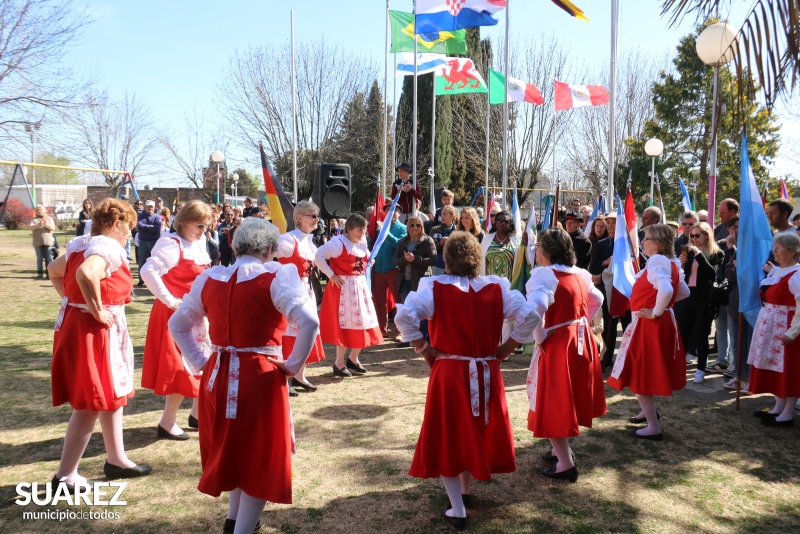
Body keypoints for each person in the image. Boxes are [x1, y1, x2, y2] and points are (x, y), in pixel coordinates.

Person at [168, 217, 319, 534]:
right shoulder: (275, 276)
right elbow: (309, 322)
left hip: (218, 375)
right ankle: (242, 528)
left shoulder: (211, 278)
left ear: (236, 246)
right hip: (257, 376)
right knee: (257, 456)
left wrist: (200, 361)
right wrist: (292, 365)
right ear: (269, 249)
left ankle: (235, 518)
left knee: (236, 448)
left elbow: (178, 324)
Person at [395, 232, 540, 530]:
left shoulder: (434, 287)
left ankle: (458, 507)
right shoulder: (496, 288)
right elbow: (531, 315)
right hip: (486, 371)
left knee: (450, 434)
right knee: (471, 430)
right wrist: (503, 350)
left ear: (447, 258)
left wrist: (424, 348)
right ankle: (463, 492)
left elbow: (404, 317)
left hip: (450, 373)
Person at [48, 198, 152, 488]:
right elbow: (86, 273)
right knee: (91, 401)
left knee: (109, 393)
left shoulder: (82, 244)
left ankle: (116, 459)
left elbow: (54, 271)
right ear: (116, 224)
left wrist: (74, 303)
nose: (129, 234)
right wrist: (95, 309)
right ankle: (66, 475)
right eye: (127, 227)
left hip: (83, 326)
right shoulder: (106, 246)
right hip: (94, 331)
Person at [525, 228, 606, 482]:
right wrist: (582, 321)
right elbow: (598, 299)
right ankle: (559, 449)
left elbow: (535, 310)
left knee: (553, 402)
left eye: (537, 246)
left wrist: (540, 338)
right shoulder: (580, 274)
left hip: (560, 343)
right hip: (579, 340)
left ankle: (566, 463)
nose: (535, 251)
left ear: (546, 251)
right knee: (566, 398)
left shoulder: (543, 275)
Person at [607, 224, 690, 440]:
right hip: (657, 323)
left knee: (641, 372)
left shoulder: (658, 261)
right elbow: (683, 291)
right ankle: (648, 412)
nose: (643, 242)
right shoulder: (670, 262)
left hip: (649, 325)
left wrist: (654, 312)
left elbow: (669, 290)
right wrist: (663, 308)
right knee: (646, 370)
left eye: (647, 238)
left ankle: (653, 426)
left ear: (659, 243)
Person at [140, 200, 212, 439]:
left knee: (202, 362)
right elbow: (147, 271)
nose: (203, 230)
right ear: (183, 222)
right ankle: (167, 422)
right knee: (181, 369)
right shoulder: (172, 244)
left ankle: (197, 415)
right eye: (199, 225)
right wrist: (170, 300)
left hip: (197, 314)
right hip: (176, 315)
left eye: (206, 225)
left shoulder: (199, 243)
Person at [315, 213, 383, 377]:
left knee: (364, 323)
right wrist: (331, 275)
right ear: (349, 229)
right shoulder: (338, 243)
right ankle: (339, 362)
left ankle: (353, 358)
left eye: (364, 229)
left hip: (360, 287)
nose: (362, 233)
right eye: (359, 230)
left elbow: (364, 259)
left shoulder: (361, 243)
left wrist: (370, 262)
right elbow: (318, 256)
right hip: (344, 289)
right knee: (344, 326)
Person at [747, 232, 800, 428]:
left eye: (779, 248)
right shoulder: (779, 272)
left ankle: (787, 413)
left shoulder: (797, 274)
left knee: (789, 368)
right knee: (777, 367)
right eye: (774, 248)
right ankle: (778, 406)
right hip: (772, 325)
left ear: (793, 251)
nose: (774, 252)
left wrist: (792, 331)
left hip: (786, 326)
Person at [274, 200, 327, 393]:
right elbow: (267, 253)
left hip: (307, 290)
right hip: (291, 291)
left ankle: (299, 375)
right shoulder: (288, 240)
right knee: (290, 332)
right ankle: (285, 379)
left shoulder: (308, 241)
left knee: (304, 331)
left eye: (317, 216)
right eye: (312, 216)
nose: (316, 220)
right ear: (299, 218)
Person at [675, 221, 723, 384]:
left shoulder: (717, 253)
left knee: (702, 334)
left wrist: (699, 255)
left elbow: (712, 274)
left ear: (707, 235)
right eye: (692, 236)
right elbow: (682, 274)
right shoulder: (687, 251)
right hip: (687, 295)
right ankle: (679, 367)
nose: (694, 239)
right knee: (682, 332)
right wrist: (681, 263)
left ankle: (701, 369)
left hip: (704, 297)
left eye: (697, 235)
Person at [721, 217, 750, 391]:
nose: (734, 230)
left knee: (749, 342)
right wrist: (736, 266)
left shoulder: (759, 247)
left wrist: (742, 268)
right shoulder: (738, 250)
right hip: (736, 300)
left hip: (753, 302)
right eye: (732, 227)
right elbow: (729, 274)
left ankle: (749, 378)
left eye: (737, 227)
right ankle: (739, 376)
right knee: (738, 341)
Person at [393, 215, 436, 303]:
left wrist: (415, 258)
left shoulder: (428, 241)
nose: (414, 228)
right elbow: (395, 260)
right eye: (412, 225)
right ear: (408, 227)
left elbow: (433, 260)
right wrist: (405, 259)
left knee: (422, 311)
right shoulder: (402, 241)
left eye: (418, 225)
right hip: (405, 282)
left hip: (422, 282)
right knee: (407, 310)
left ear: (422, 227)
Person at [480, 210, 520, 279]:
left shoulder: (516, 240)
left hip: (509, 285)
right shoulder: (486, 239)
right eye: (498, 220)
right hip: (490, 284)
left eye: (505, 221)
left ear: (510, 224)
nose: (501, 223)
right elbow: (481, 261)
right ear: (495, 223)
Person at [136, 200, 162, 286]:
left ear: (154, 208)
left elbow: (157, 229)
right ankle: (141, 279)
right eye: (148, 206)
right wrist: (151, 226)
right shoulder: (141, 216)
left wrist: (146, 227)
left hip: (154, 241)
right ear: (145, 207)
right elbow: (139, 226)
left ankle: (154, 279)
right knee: (142, 260)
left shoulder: (157, 217)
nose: (150, 208)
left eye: (151, 207)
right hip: (143, 241)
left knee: (155, 261)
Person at [30, 204, 56, 279]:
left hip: (47, 241)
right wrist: (38, 224)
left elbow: (52, 228)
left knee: (49, 258)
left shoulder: (49, 219)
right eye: (37, 210)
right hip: (37, 242)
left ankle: (49, 274)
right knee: (39, 259)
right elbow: (31, 227)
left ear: (44, 210)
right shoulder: (33, 220)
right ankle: (40, 274)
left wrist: (45, 223)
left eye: (40, 209)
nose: (39, 211)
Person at [430, 206, 458, 276]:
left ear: (452, 216)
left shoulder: (458, 231)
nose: (442, 216)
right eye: (441, 214)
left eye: (445, 214)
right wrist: (440, 244)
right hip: (438, 266)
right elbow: (429, 249)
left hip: (454, 267)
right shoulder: (434, 229)